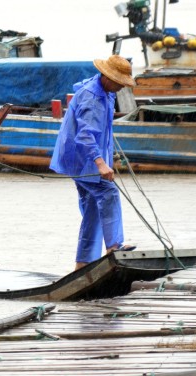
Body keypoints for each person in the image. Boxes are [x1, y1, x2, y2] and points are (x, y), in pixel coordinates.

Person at [50, 55, 135, 271]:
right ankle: (115, 246)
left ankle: (83, 264)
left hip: (83, 158)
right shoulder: (93, 97)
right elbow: (86, 135)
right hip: (82, 159)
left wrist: (109, 157)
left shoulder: (104, 91)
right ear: (107, 77)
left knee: (93, 210)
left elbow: (103, 131)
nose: (120, 87)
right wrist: (100, 164)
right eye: (119, 82)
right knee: (108, 194)